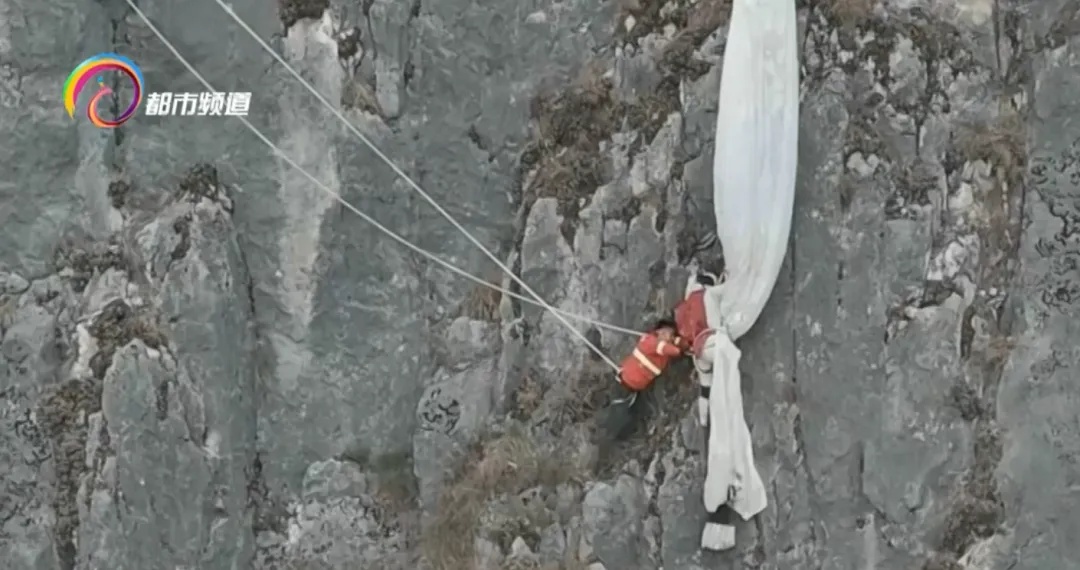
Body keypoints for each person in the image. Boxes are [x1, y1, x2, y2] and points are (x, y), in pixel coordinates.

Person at [674, 271, 723, 426]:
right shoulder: (709, 295)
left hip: (698, 351)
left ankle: (703, 422)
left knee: (705, 387)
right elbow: (716, 325)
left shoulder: (686, 305)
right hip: (711, 342)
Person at [616, 318, 687, 393]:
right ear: (659, 331)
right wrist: (680, 350)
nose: (671, 338)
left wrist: (681, 343)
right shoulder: (650, 341)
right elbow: (668, 349)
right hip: (629, 378)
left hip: (637, 384)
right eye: (669, 335)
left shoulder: (662, 352)